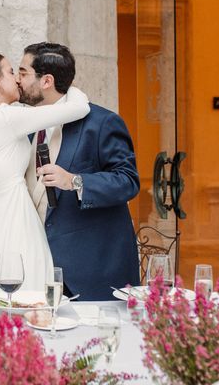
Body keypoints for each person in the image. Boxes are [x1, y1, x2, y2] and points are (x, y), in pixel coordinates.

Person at [0, 53, 89, 302]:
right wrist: (66, 85)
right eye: (11, 72)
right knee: (27, 302)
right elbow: (78, 108)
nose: (17, 80)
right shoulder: (3, 117)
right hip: (17, 228)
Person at [18, 42, 141, 301]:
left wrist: (74, 181)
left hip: (90, 272)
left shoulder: (102, 122)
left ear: (46, 81)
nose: (17, 80)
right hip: (37, 273)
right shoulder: (26, 126)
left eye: (23, 72)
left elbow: (128, 181)